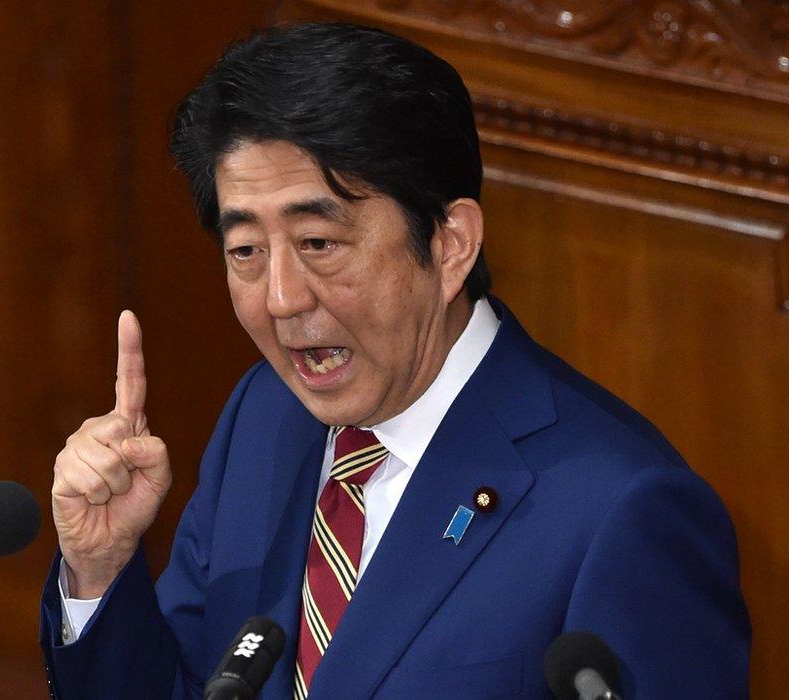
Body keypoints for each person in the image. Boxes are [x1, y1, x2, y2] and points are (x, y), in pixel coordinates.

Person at [40, 22, 750, 698]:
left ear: (450, 245)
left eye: (319, 243)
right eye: (246, 252)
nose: (282, 299)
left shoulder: (622, 511)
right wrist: (99, 570)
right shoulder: (263, 417)